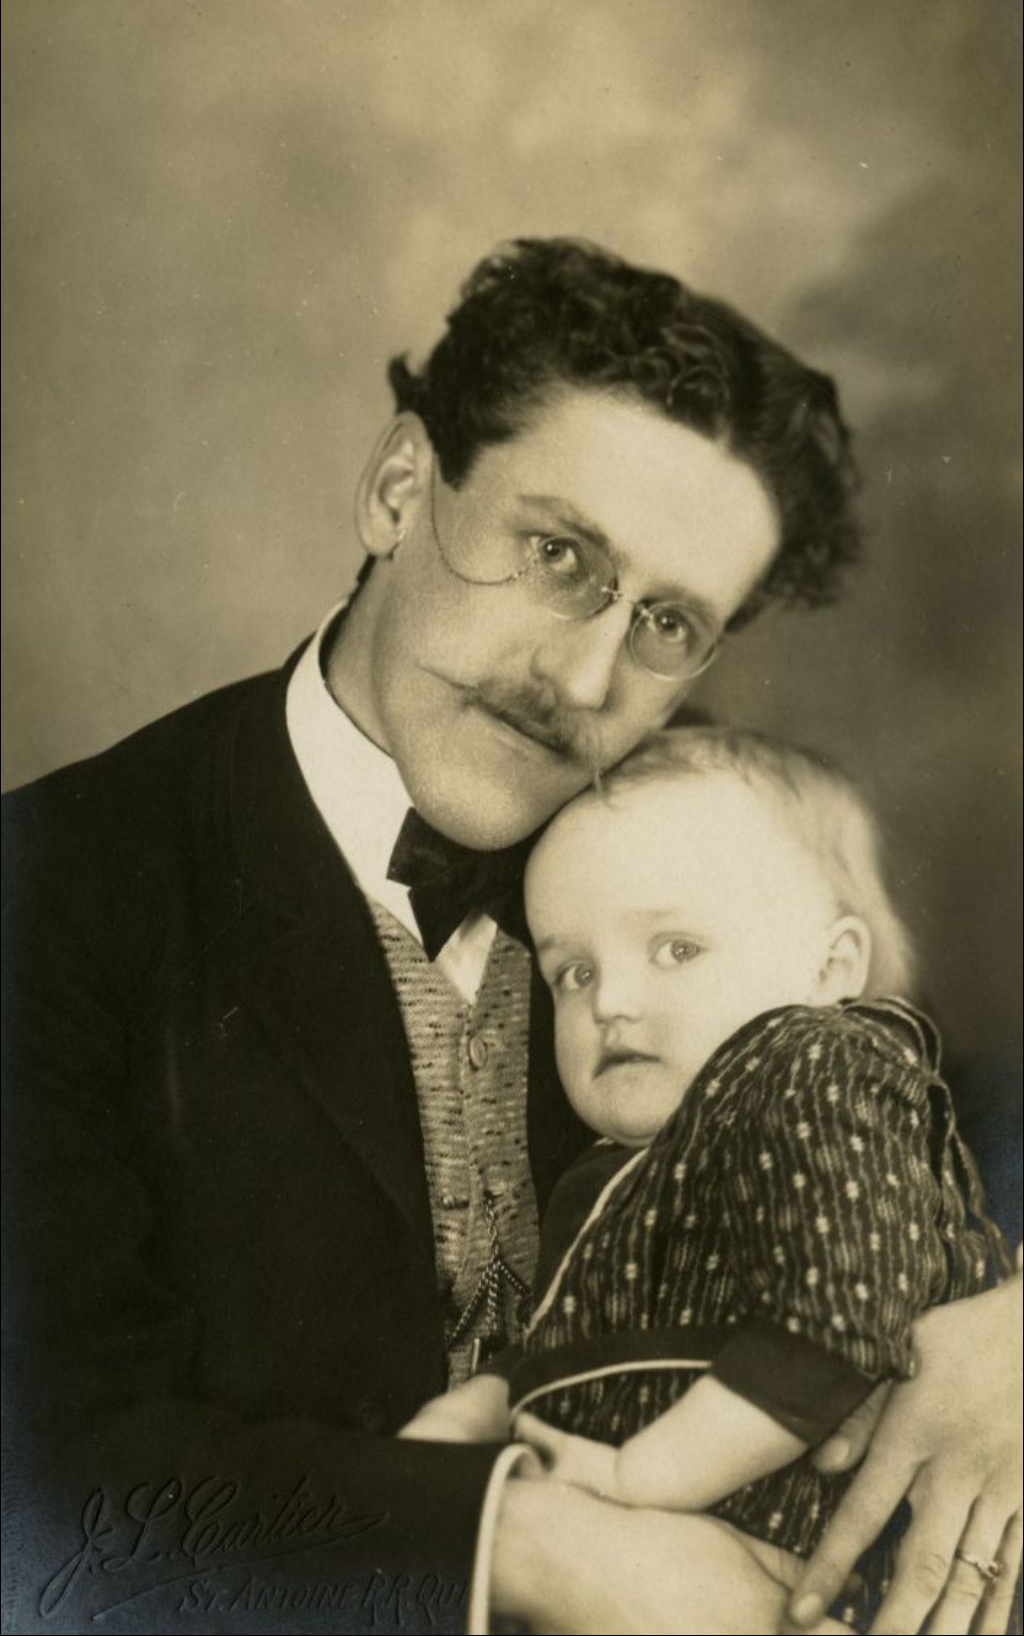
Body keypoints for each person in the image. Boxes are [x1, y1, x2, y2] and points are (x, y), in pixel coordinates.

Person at [2, 238, 1020, 1636]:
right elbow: (41, 1486)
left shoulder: (674, 832)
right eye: (559, 556)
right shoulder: (48, 891)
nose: (587, 681)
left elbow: (928, 1099)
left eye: (666, 622)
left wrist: (1009, 1317)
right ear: (398, 489)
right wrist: (522, 1544)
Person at [400, 726, 1013, 1630]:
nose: (610, 1001)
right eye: (575, 971)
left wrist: (637, 1476)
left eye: (676, 948)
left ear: (830, 967)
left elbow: (838, 1319)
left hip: (806, 1575)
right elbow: (579, 1341)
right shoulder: (622, 1169)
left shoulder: (811, 1066)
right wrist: (482, 1408)